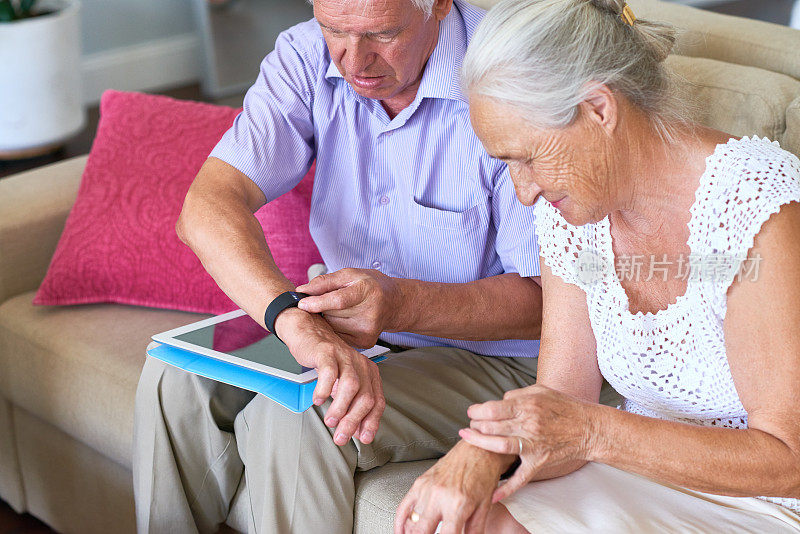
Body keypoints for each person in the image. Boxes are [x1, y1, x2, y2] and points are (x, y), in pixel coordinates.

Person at [132, 0, 549, 532]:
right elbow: (207, 207)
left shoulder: (512, 71)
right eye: (334, 29)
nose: (354, 61)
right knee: (175, 374)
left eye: (382, 33)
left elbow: (554, 305)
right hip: (358, 331)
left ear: (441, 5)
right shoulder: (305, 56)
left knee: (302, 413)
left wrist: (401, 303)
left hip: (500, 360)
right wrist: (292, 319)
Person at [395, 0, 800, 532]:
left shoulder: (753, 202)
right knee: (467, 522)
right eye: (506, 163)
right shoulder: (569, 212)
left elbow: (787, 461)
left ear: (599, 109)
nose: (523, 192)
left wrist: (591, 432)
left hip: (767, 499)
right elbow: (562, 399)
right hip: (640, 472)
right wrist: (481, 454)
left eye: (529, 157)